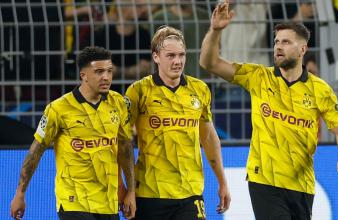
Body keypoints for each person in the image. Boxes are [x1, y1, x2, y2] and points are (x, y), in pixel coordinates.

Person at [200, 1, 338, 219]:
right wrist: (215, 30)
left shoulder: (320, 90)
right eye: (276, 42)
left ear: (303, 49)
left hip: (302, 184)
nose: (278, 46)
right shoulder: (258, 77)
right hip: (264, 180)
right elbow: (210, 63)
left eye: (285, 42)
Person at [10, 46, 136, 220]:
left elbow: (124, 148)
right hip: (73, 201)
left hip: (108, 202)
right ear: (83, 75)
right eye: (99, 72)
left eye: (109, 71)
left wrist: (130, 191)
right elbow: (36, 151)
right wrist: (20, 194)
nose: (106, 77)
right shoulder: (58, 109)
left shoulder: (118, 103)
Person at [125, 26, 231, 220]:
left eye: (182, 55)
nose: (178, 61)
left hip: (190, 193)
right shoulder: (138, 91)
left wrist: (222, 182)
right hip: (150, 194)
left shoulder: (199, 89)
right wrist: (128, 190)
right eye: (171, 55)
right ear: (156, 57)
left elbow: (208, 137)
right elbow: (122, 142)